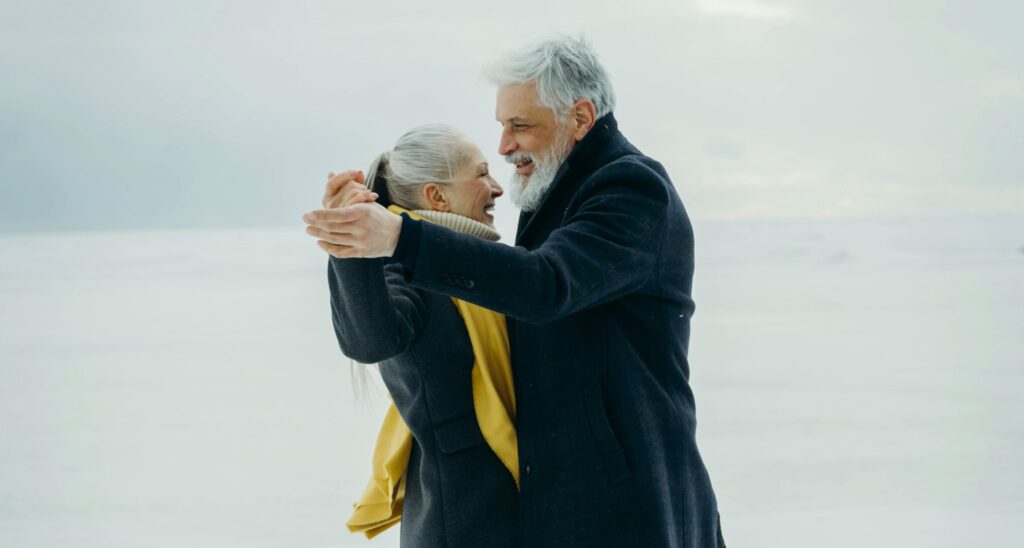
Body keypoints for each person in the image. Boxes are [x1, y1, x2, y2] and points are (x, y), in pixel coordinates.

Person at [306, 36, 725, 547]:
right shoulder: (548, 199)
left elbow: (546, 285)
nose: (504, 147)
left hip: (629, 504)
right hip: (535, 510)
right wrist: (355, 247)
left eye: (519, 125)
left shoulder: (630, 189)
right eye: (502, 127)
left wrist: (400, 237)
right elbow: (374, 336)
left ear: (580, 117)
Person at [322, 124, 519, 547]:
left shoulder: (488, 266)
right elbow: (370, 341)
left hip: (509, 514)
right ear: (437, 197)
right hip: (460, 524)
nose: (497, 187)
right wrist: (350, 246)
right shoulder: (400, 267)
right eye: (482, 173)